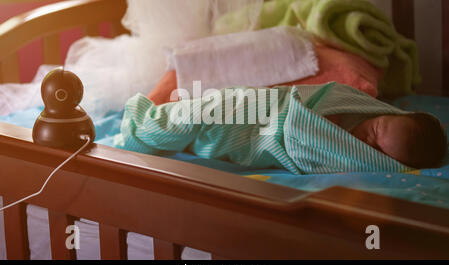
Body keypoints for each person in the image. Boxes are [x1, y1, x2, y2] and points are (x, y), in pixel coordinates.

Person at [114, 81, 447, 174]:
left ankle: (148, 128)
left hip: (268, 140)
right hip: (263, 106)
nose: (365, 140)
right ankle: (143, 124)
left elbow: (305, 149)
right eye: (376, 129)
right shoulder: (351, 102)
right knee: (206, 110)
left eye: (376, 150)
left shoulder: (352, 158)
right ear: (384, 112)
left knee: (208, 138)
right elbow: (323, 93)